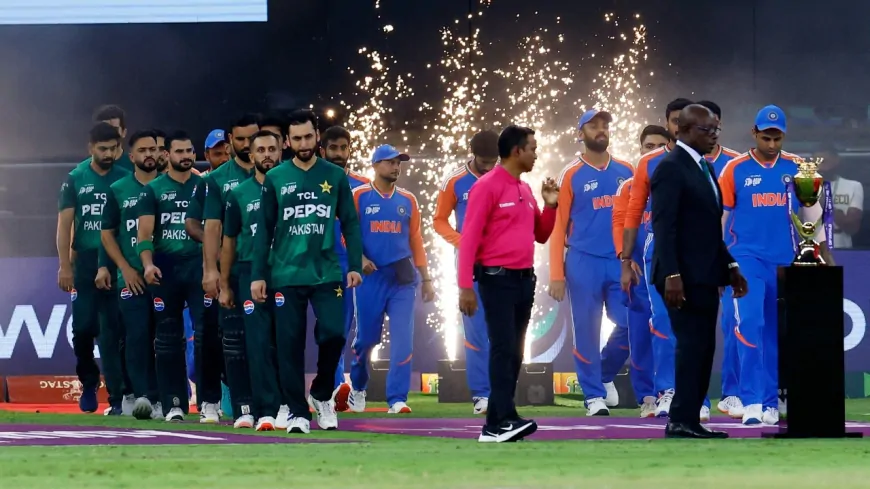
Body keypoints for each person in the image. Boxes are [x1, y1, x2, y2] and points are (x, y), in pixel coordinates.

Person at [250, 109, 363, 434]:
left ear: (317, 137)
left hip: (327, 271)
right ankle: (298, 414)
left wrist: (355, 264)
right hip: (285, 273)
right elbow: (264, 230)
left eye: (308, 137)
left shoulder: (335, 176)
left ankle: (321, 394)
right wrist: (258, 274)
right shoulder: (275, 178)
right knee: (288, 344)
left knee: (334, 334)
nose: (303, 144)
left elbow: (350, 222)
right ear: (287, 141)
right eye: (296, 138)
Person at [718, 105, 832, 426]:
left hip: (785, 260)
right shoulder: (735, 169)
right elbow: (721, 218)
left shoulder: (799, 168)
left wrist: (824, 255)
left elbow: (812, 217)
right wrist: (718, 260)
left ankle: (770, 402)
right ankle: (751, 399)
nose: (771, 144)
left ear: (784, 136)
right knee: (749, 323)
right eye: (765, 138)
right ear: (754, 133)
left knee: (774, 332)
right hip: (746, 259)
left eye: (777, 138)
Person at [649, 104, 748, 439]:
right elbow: (664, 227)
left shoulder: (704, 167)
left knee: (704, 347)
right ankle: (680, 419)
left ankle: (690, 418)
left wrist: (730, 265)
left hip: (704, 274)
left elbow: (708, 227)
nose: (714, 136)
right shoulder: (670, 168)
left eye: (716, 130)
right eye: (707, 130)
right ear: (685, 130)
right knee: (692, 345)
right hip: (681, 277)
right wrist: (671, 275)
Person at [458, 125, 559, 443]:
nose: (536, 154)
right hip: (496, 279)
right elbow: (469, 239)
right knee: (503, 349)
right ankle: (497, 423)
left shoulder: (525, 189)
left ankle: (501, 419)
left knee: (515, 352)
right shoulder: (486, 187)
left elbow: (541, 234)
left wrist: (550, 206)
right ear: (517, 151)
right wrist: (465, 286)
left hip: (524, 280)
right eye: (532, 148)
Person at [622, 98, 717, 420]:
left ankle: (698, 398)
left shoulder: (710, 163)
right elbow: (636, 211)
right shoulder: (651, 163)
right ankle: (667, 390)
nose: (680, 126)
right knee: (663, 321)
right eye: (676, 120)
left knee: (698, 329)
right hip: (661, 249)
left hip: (700, 253)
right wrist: (625, 259)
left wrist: (726, 261)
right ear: (670, 123)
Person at [547, 109, 638, 416]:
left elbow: (635, 219)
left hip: (619, 261)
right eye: (593, 126)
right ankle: (593, 396)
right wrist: (556, 274)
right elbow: (558, 227)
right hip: (582, 262)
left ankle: (604, 373)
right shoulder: (571, 174)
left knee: (631, 323)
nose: (601, 130)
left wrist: (633, 258)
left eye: (604, 125)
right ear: (580, 134)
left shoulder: (626, 170)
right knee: (586, 330)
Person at [136, 131, 218, 422]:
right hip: (166, 267)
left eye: (189, 151)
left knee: (206, 335)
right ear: (166, 155)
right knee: (168, 338)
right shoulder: (153, 190)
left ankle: (208, 402)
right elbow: (144, 235)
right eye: (179, 151)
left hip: (199, 266)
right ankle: (173, 403)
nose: (185, 156)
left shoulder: (206, 185)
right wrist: (147, 265)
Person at [349, 144, 435, 414]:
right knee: (366, 340)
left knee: (403, 341)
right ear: (375, 165)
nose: (396, 167)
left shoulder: (408, 199)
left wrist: (427, 278)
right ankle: (358, 387)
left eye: (398, 163)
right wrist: (360, 259)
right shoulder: (359, 196)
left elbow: (416, 239)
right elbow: (345, 233)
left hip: (402, 280)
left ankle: (397, 398)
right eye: (390, 162)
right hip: (371, 279)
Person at [57, 122, 131, 414]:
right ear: (90, 148)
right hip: (85, 261)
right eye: (102, 149)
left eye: (113, 148)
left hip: (114, 260)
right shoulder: (75, 178)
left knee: (112, 332)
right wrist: (65, 265)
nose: (108, 154)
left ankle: (117, 397)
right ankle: (89, 382)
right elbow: (64, 225)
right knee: (82, 329)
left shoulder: (124, 178)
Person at [608, 126, 676, 418]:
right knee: (639, 333)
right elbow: (620, 223)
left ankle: (668, 390)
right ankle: (646, 395)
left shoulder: (673, 182)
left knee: (666, 327)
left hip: (665, 266)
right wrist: (624, 259)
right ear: (641, 150)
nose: (655, 151)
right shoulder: (628, 187)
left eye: (660, 145)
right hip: (638, 268)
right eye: (649, 146)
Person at [220, 130, 284, 431]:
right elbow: (229, 241)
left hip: (285, 271)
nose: (267, 155)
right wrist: (224, 283)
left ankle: (287, 405)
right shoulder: (239, 194)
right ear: (251, 154)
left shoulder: (291, 187)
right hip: (247, 272)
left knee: (284, 340)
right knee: (256, 343)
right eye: (261, 150)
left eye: (272, 149)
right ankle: (264, 409)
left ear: (281, 151)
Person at [433, 129, 499, 415]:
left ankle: (502, 391)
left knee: (504, 331)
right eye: (484, 162)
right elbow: (439, 220)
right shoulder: (455, 181)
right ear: (473, 154)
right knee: (475, 330)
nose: (489, 167)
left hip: (504, 262)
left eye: (493, 161)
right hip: (470, 266)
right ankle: (482, 395)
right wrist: (463, 242)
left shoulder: (507, 177)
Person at [100, 130, 162, 420]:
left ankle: (165, 398)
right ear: (132, 156)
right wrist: (124, 268)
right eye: (143, 150)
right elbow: (106, 234)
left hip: (165, 275)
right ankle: (142, 396)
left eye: (154, 149)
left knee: (165, 338)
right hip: (131, 277)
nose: (149, 154)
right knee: (136, 336)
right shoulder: (118, 189)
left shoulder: (169, 185)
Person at [696, 100, 745, 419]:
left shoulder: (735, 164)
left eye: (714, 123)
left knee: (733, 325)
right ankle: (697, 399)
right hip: (696, 257)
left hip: (729, 257)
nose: (710, 129)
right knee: (697, 329)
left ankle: (732, 394)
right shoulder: (683, 162)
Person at [319, 125, 370, 412]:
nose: (339, 154)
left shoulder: (363, 185)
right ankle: (334, 384)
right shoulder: (311, 181)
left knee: (347, 329)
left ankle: (343, 386)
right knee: (327, 328)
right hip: (315, 266)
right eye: (333, 148)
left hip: (349, 266)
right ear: (322, 150)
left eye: (343, 148)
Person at [816, 143, 863, 249]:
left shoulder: (853, 186)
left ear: (836, 161)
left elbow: (852, 227)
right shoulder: (802, 187)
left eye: (824, 162)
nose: (820, 167)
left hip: (841, 248)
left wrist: (825, 203)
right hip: (811, 248)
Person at [76, 105, 134, 173]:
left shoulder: (136, 165)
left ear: (124, 132)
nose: (109, 132)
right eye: (104, 128)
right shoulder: (82, 169)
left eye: (115, 129)